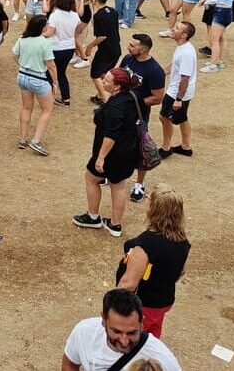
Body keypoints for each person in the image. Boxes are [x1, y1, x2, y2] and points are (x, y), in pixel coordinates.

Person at [115, 185, 191, 339]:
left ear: (154, 209)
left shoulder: (146, 245)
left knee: (134, 339)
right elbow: (181, 271)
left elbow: (128, 283)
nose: (146, 200)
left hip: (143, 303)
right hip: (164, 300)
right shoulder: (183, 242)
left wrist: (113, 305)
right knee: (153, 333)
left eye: (149, 199)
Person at [73, 68, 142, 237]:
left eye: (108, 80)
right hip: (128, 151)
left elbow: (111, 135)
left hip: (112, 154)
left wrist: (100, 158)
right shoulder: (132, 97)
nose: (103, 81)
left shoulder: (115, 107)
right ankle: (115, 224)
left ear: (117, 87)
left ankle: (93, 216)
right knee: (118, 186)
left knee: (91, 178)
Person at [62, 288, 181, 371]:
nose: (124, 341)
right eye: (117, 332)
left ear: (141, 324)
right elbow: (70, 364)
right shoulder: (84, 332)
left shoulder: (163, 359)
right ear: (104, 320)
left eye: (132, 333)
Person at [121, 34, 167, 202]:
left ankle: (139, 185)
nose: (128, 47)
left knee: (140, 150)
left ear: (144, 49)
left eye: (133, 46)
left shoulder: (155, 70)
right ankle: (112, 172)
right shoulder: (128, 59)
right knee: (114, 142)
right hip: (120, 112)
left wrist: (133, 102)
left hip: (138, 116)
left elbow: (157, 97)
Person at [12, 15, 58, 156]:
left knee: (26, 107)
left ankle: (23, 138)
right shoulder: (44, 43)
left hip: (23, 76)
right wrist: (55, 82)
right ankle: (36, 140)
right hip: (38, 78)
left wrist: (22, 65)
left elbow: (14, 55)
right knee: (47, 109)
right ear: (41, 27)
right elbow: (51, 66)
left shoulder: (22, 38)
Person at [157, 21, 198, 166]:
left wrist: (178, 99)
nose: (173, 29)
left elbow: (185, 78)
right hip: (181, 92)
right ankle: (186, 147)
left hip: (177, 93)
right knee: (182, 117)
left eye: (177, 28)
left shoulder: (186, 53)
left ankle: (166, 148)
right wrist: (161, 73)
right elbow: (175, 66)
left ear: (184, 35)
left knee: (164, 117)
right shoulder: (182, 48)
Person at [47, 0, 80, 108]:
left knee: (49, 73)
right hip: (69, 48)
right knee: (61, 73)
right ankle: (66, 98)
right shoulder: (75, 16)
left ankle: (49, 98)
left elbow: (49, 32)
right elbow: (77, 31)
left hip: (55, 48)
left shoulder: (54, 15)